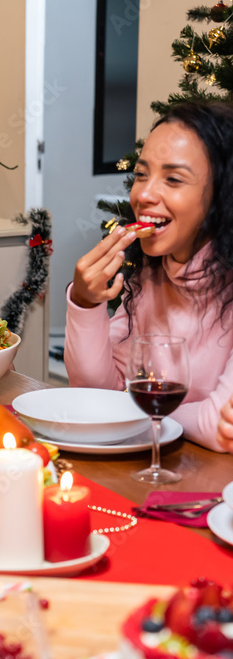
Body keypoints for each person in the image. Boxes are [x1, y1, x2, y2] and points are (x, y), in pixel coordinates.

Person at [65, 101, 233, 453]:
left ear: (221, 195)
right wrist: (85, 303)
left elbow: (221, 427)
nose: (142, 194)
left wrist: (142, 411)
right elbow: (100, 397)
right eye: (142, 174)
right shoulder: (149, 277)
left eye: (173, 179)